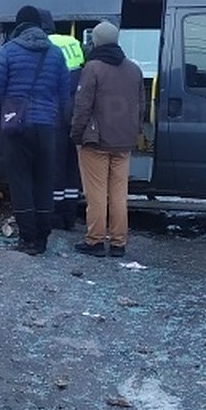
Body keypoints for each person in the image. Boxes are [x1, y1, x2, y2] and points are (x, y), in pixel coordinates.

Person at [0, 5, 69, 255]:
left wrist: (0, 117)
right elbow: (64, 95)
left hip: (16, 126)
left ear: (19, 25)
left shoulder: (8, 51)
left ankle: (27, 239)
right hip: (46, 126)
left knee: (20, 180)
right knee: (44, 180)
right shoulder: (56, 54)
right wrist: (55, 119)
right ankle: (43, 238)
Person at [70, 20, 145, 257]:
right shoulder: (134, 69)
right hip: (123, 142)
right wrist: (134, 132)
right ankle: (118, 243)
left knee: (97, 193)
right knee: (119, 194)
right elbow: (141, 106)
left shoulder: (93, 68)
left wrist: (76, 134)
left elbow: (83, 106)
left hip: (96, 141)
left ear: (96, 41)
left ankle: (94, 241)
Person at [40, 9, 85, 230]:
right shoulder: (73, 42)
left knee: (54, 165)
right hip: (75, 106)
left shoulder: (45, 45)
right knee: (71, 165)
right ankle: (70, 213)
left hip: (56, 109)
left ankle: (55, 215)